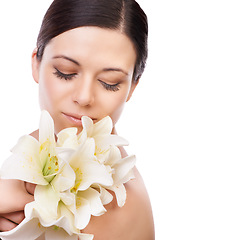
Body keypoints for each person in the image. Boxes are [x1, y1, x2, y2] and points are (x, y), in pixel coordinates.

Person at [0, 0, 155, 239]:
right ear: (36, 63)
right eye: (65, 72)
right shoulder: (41, 142)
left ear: (133, 86)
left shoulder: (119, 207)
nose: (84, 98)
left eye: (109, 83)